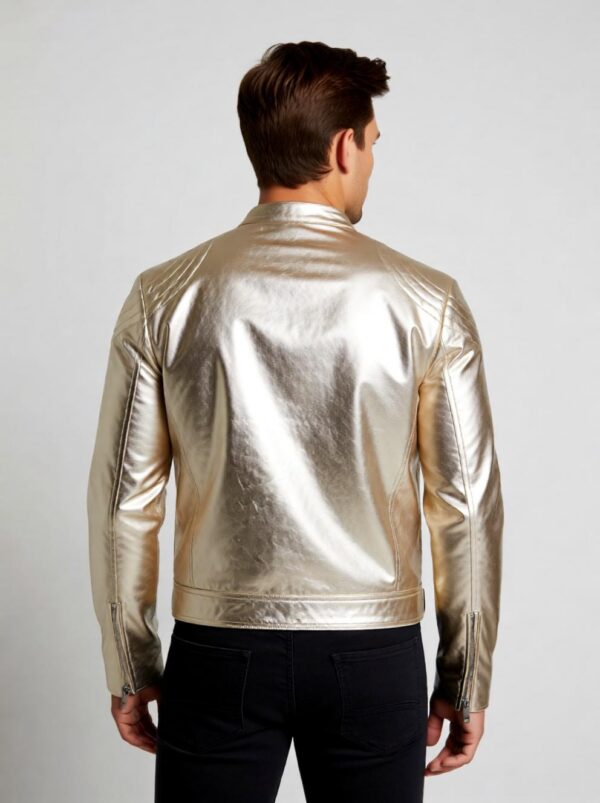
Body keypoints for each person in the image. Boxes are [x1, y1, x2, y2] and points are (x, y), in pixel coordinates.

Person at [87, 40, 503, 802]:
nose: (371, 161)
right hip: (372, 655)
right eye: (372, 143)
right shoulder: (427, 300)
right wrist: (465, 673)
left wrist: (131, 660)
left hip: (219, 650)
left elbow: (124, 502)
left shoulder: (163, 296)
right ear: (344, 147)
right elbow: (464, 505)